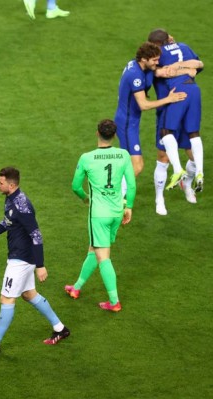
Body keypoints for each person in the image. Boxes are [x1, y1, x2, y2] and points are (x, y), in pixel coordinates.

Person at [0, 167, 70, 357]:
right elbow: (7, 222)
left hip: (21, 260)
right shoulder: (11, 199)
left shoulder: (22, 206)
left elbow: (36, 235)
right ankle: (60, 328)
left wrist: (40, 265)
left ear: (12, 184)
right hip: (21, 257)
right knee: (28, 294)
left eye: (1, 183)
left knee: (6, 298)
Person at [66, 119, 136, 312]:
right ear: (114, 135)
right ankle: (76, 287)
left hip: (98, 215)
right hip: (116, 213)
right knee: (94, 249)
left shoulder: (87, 158)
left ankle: (114, 302)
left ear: (97, 133)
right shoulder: (123, 155)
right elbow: (131, 185)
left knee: (103, 256)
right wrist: (128, 206)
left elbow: (75, 187)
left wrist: (85, 198)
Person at [114, 42, 187, 189]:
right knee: (137, 166)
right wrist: (169, 99)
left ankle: (115, 194)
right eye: (154, 60)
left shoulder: (141, 66)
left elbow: (160, 72)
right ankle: (113, 195)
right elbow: (144, 105)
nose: (157, 62)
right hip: (126, 124)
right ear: (144, 59)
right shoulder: (135, 75)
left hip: (131, 120)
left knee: (131, 165)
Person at [148, 29, 205, 193]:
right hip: (193, 91)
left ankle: (179, 171)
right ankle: (199, 173)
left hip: (173, 98)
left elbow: (160, 71)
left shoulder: (158, 54)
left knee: (166, 133)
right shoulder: (184, 46)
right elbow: (199, 64)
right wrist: (186, 68)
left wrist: (176, 67)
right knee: (194, 133)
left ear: (156, 45)